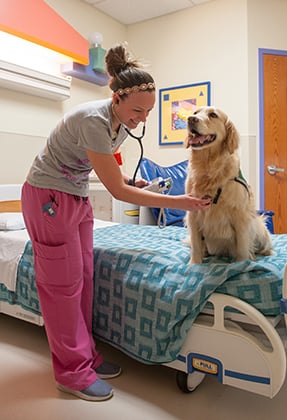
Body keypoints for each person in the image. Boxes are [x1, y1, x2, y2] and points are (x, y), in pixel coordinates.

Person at [21, 42, 211, 402]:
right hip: (48, 197)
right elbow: (116, 192)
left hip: (75, 195)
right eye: (137, 110)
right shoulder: (94, 120)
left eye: (148, 111)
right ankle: (71, 373)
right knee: (62, 286)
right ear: (116, 99)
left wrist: (131, 181)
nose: (142, 118)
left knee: (85, 278)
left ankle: (87, 356)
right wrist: (180, 202)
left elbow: (113, 175)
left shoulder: (121, 123)